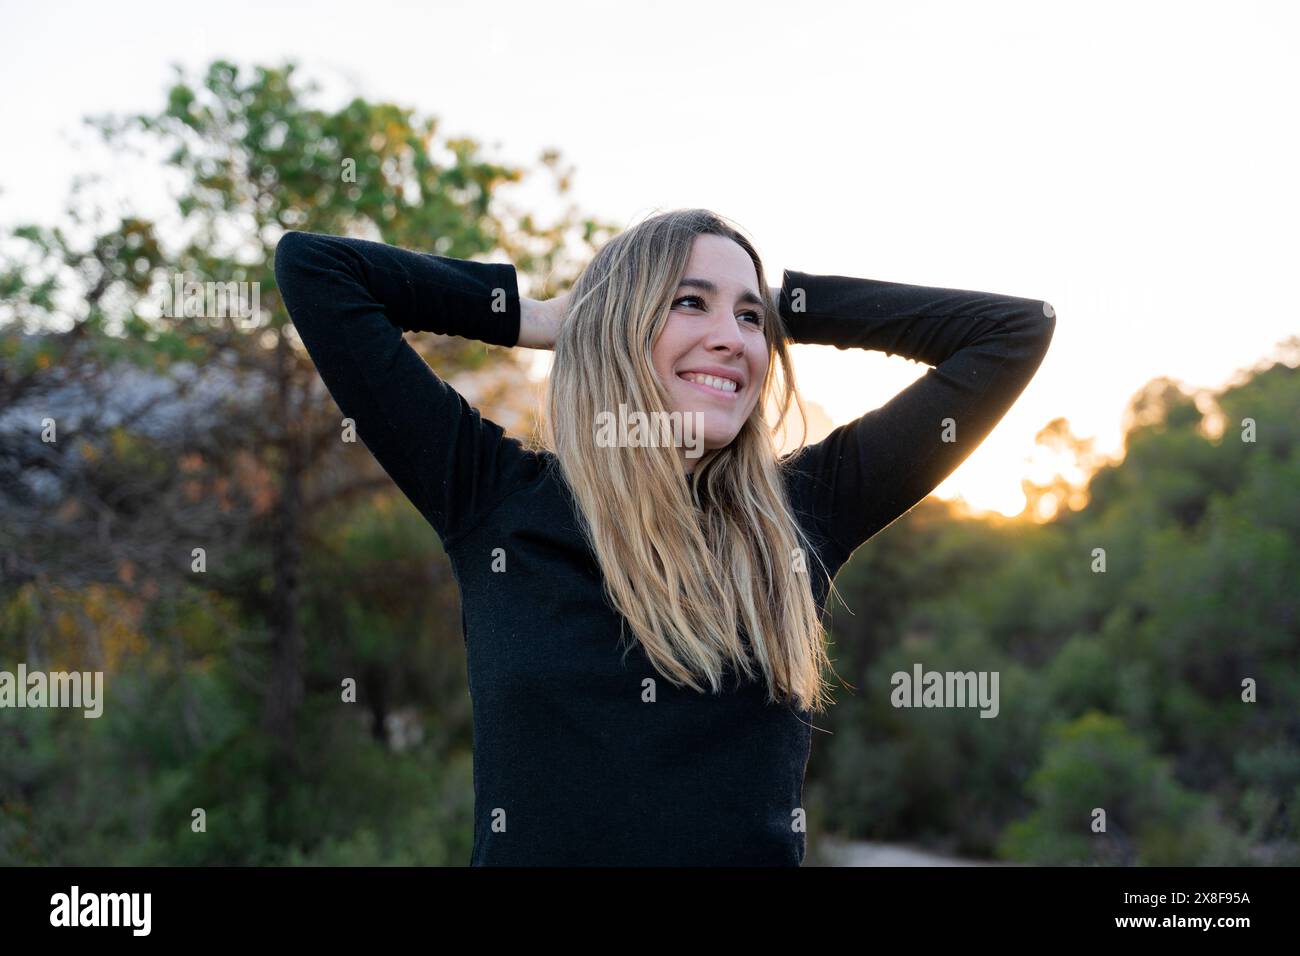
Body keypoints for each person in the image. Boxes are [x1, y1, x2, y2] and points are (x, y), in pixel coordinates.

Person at [273, 207, 1056, 865]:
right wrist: (539, 318)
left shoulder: (805, 513)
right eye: (690, 303)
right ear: (616, 324)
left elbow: (1014, 332)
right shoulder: (494, 500)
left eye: (749, 317)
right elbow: (317, 270)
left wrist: (797, 307)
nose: (734, 338)